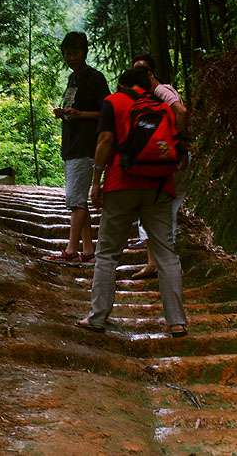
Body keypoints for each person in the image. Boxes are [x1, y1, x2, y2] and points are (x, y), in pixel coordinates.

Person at [76, 66, 188, 337]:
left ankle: (98, 317)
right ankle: (177, 322)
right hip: (159, 185)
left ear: (122, 84)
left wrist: (96, 181)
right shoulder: (162, 103)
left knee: (107, 253)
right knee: (166, 254)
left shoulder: (113, 102)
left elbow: (105, 140)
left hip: (121, 184)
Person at [42, 32, 110, 264]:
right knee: (78, 199)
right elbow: (76, 109)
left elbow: (106, 113)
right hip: (72, 144)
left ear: (85, 52)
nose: (70, 57)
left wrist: (81, 114)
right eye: (67, 53)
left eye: (75, 52)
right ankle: (89, 252)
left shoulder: (95, 78)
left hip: (85, 145)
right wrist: (64, 114)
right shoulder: (73, 79)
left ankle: (71, 251)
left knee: (74, 199)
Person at [128, 54, 191, 280]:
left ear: (151, 73)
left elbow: (181, 112)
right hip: (166, 157)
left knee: (159, 209)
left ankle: (164, 265)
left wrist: (182, 146)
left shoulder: (161, 91)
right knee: (159, 209)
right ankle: (156, 263)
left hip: (169, 158)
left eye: (142, 70)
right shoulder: (152, 94)